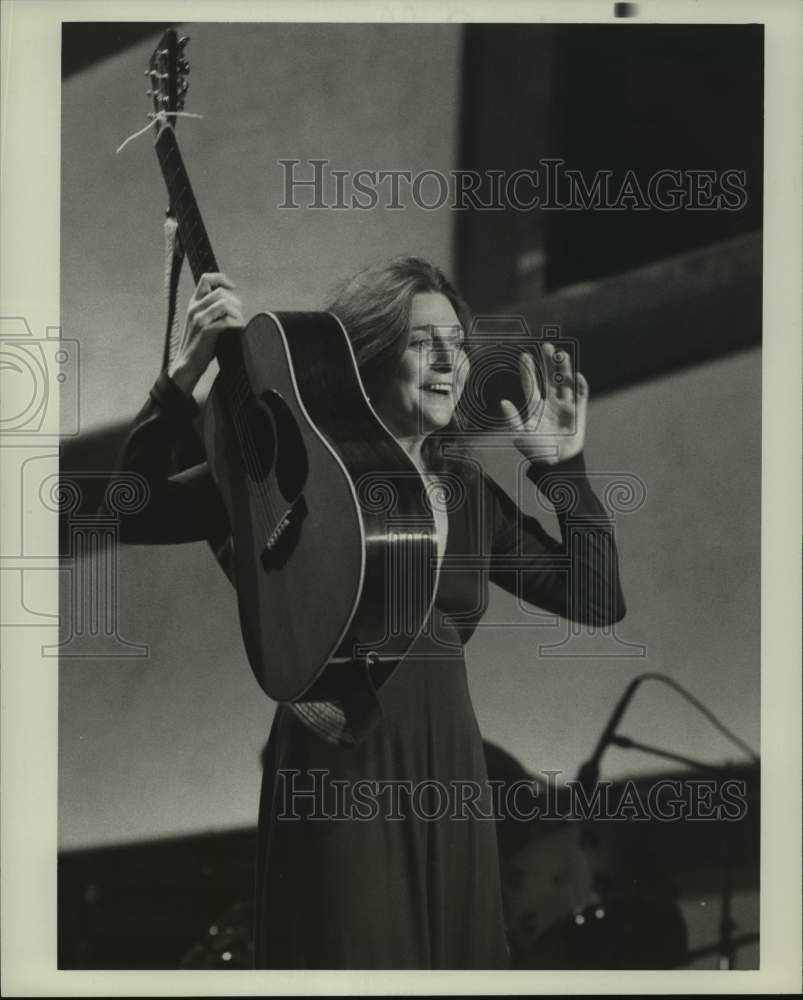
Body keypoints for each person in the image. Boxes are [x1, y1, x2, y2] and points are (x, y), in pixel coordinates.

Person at [113, 256, 626, 969]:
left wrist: (562, 469)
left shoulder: (467, 495)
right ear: (366, 360)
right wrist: (181, 375)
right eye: (425, 343)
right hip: (339, 762)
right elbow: (129, 509)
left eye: (460, 343)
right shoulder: (282, 479)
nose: (450, 360)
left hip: (448, 774)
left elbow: (596, 598)